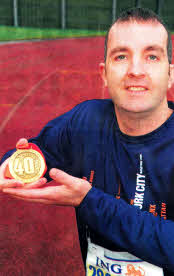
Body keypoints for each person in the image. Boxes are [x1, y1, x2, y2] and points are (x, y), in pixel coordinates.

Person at [1, 7, 174, 276]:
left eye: (152, 56)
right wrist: (7, 169)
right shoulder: (86, 120)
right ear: (104, 74)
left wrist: (88, 200)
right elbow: (37, 151)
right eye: (121, 56)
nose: (135, 70)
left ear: (170, 74)